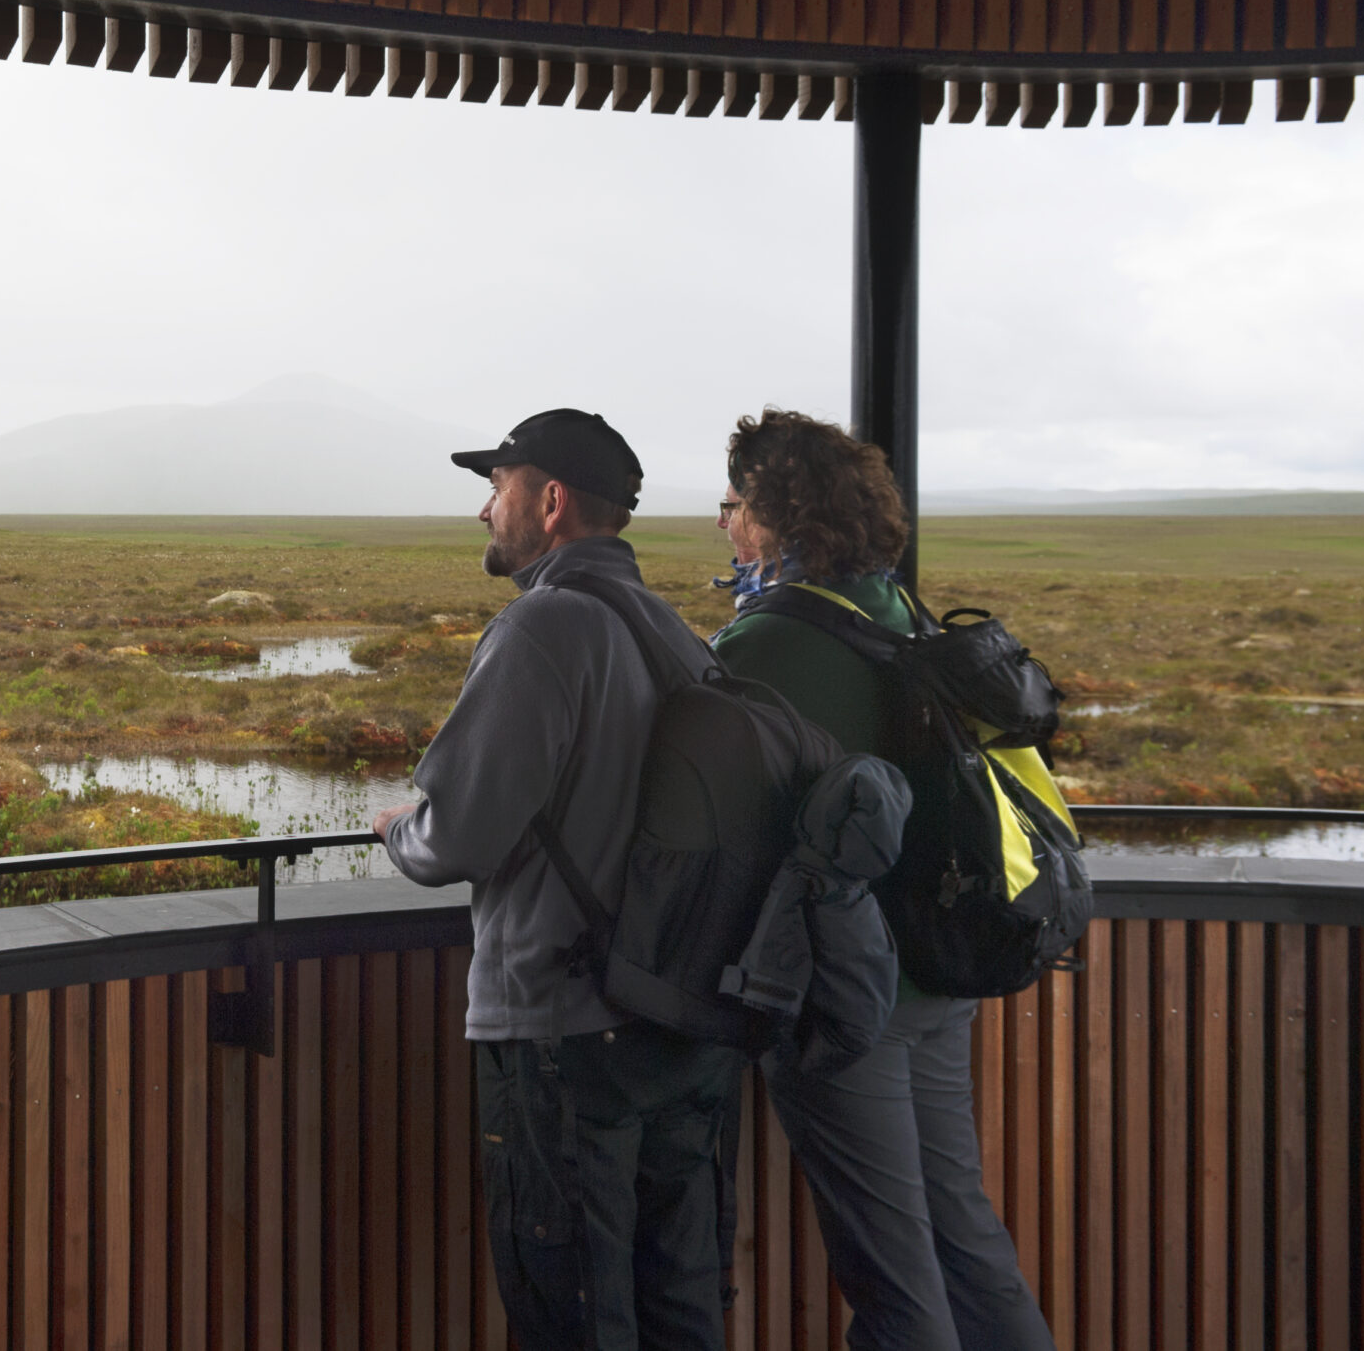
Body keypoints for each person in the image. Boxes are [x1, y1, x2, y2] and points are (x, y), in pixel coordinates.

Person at [372, 408, 735, 1351]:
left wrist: (398, 830)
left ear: (552, 500)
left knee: (570, 1312)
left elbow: (459, 838)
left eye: (498, 488)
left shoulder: (544, 627)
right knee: (680, 1312)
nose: (484, 510)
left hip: (564, 1035)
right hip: (674, 1017)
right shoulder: (675, 631)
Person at [709, 409, 1056, 1351]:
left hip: (843, 994)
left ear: (777, 517)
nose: (726, 525)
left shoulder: (765, 644)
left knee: (895, 1280)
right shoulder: (902, 614)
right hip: (939, 971)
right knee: (965, 1241)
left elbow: (715, 825)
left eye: (734, 505)